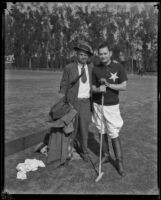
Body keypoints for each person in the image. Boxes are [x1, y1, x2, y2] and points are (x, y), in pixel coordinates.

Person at [92, 43, 128, 176]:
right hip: (98, 105)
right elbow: (92, 88)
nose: (103, 56)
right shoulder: (95, 69)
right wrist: (97, 89)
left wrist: (109, 85)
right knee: (101, 130)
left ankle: (119, 162)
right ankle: (106, 156)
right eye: (100, 54)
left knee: (113, 132)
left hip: (112, 106)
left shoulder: (118, 66)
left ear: (110, 53)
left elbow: (124, 86)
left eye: (105, 53)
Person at [59, 40, 93, 162]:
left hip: (86, 103)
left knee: (84, 129)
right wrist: (62, 98)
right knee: (70, 128)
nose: (83, 57)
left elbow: (99, 76)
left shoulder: (91, 68)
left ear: (88, 57)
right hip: (72, 102)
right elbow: (63, 83)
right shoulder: (69, 68)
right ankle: (69, 151)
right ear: (76, 55)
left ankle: (84, 152)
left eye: (85, 55)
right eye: (80, 54)